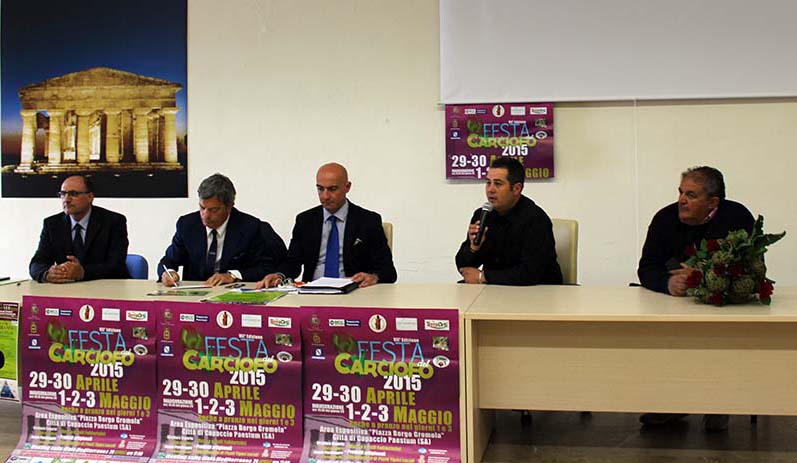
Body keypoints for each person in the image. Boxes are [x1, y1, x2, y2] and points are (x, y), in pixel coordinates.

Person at [637, 165, 754, 432]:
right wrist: (667, 283)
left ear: (713, 202)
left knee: (720, 337)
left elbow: (749, 267)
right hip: (676, 305)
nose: (681, 200)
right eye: (681, 192)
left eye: (691, 195)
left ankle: (718, 404)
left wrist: (703, 276)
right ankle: (673, 403)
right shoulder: (665, 219)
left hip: (723, 304)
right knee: (661, 336)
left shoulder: (737, 217)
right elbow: (647, 267)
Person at [257, 162, 396, 289]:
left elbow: (388, 271)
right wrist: (279, 275)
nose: (325, 196)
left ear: (347, 187)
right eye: (320, 189)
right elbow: (293, 262)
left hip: (353, 292)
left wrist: (374, 277)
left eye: (332, 189)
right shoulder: (305, 220)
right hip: (312, 291)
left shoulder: (368, 221)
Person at [158, 173, 283, 286]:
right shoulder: (187, 225)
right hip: (194, 294)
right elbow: (168, 260)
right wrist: (169, 273)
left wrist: (233, 276)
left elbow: (266, 268)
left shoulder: (250, 227)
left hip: (232, 294)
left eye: (213, 210)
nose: (205, 215)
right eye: (202, 207)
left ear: (229, 207)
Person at [455, 157, 562, 285]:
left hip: (538, 292)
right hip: (494, 289)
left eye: (498, 184)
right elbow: (463, 267)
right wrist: (473, 248)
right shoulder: (482, 215)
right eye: (488, 182)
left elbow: (530, 273)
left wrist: (482, 277)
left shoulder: (536, 219)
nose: (490, 189)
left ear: (516, 189)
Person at [29, 175, 129, 283]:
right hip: (67, 289)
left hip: (107, 287)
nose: (66, 199)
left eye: (73, 194)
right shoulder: (52, 224)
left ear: (90, 197)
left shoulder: (113, 221)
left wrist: (83, 272)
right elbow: (36, 263)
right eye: (63, 194)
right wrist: (47, 274)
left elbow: (116, 265)